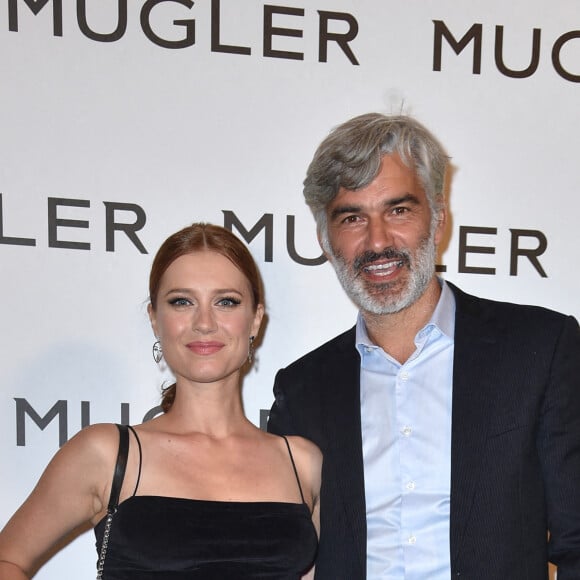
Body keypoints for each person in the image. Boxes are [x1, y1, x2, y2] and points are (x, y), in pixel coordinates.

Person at [268, 113, 580, 579]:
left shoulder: (540, 349)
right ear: (324, 240)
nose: (377, 241)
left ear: (437, 220)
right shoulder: (303, 389)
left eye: (399, 210)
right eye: (352, 217)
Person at [0, 223, 321, 579]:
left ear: (255, 320)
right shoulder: (108, 454)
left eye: (226, 302)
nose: (204, 322)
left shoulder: (301, 463)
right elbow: (8, 560)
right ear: (155, 318)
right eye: (181, 302)